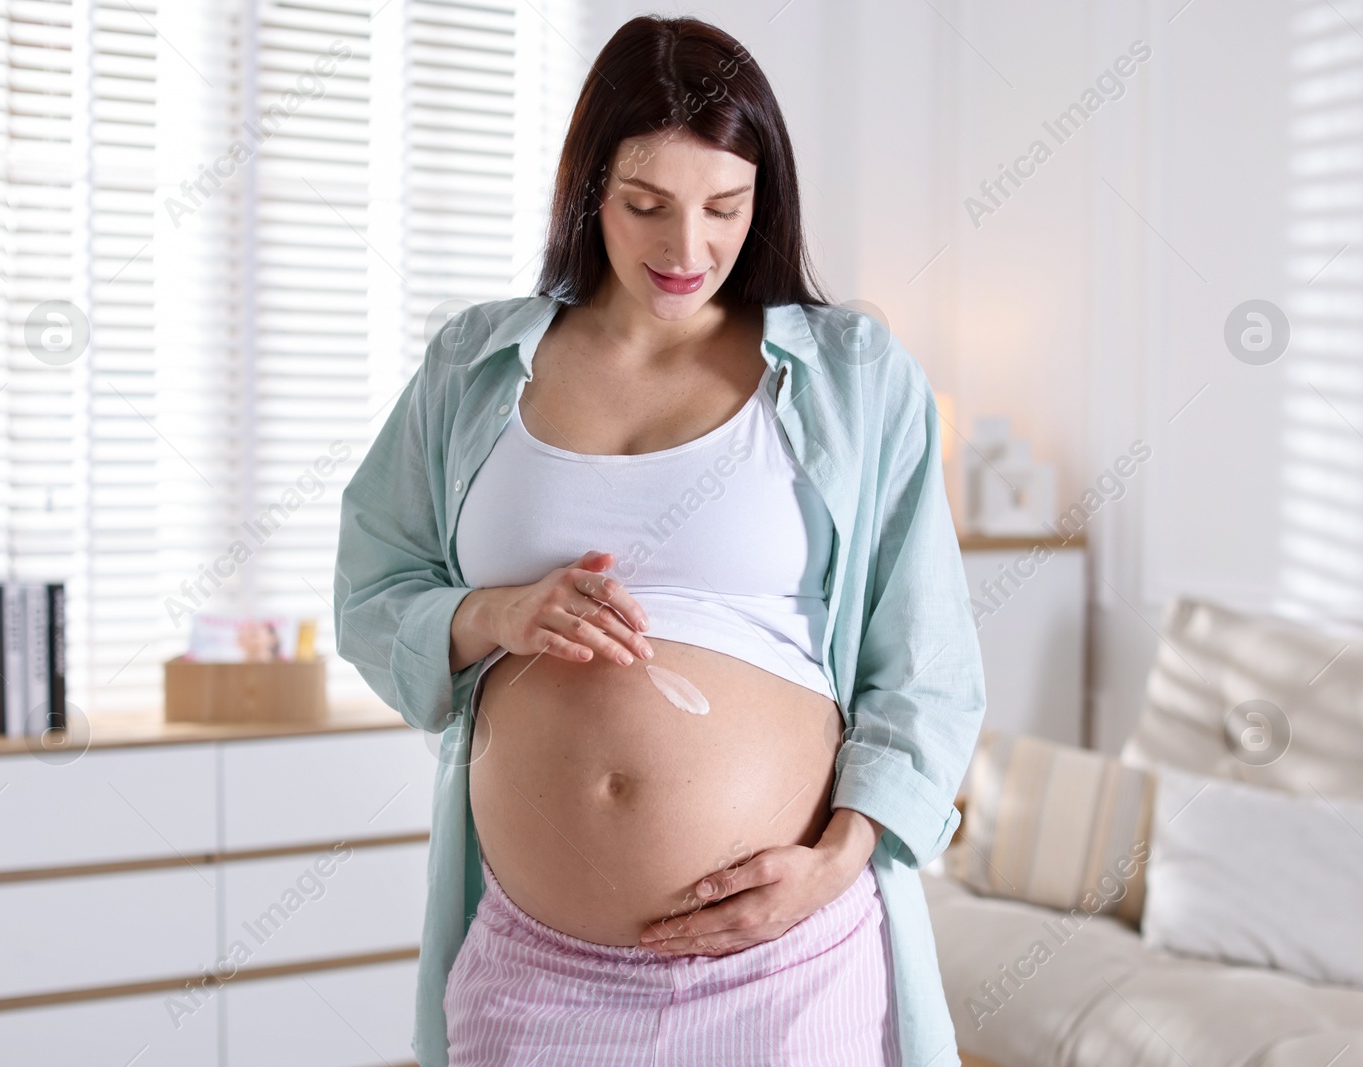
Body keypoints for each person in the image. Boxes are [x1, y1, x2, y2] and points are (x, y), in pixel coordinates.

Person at [334, 15, 985, 1067]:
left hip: (783, 959)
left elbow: (925, 663)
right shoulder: (473, 363)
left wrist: (838, 857)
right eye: (646, 206)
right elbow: (372, 589)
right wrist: (496, 613)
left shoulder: (855, 375)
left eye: (724, 207)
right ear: (590, 189)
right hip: (536, 970)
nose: (687, 250)